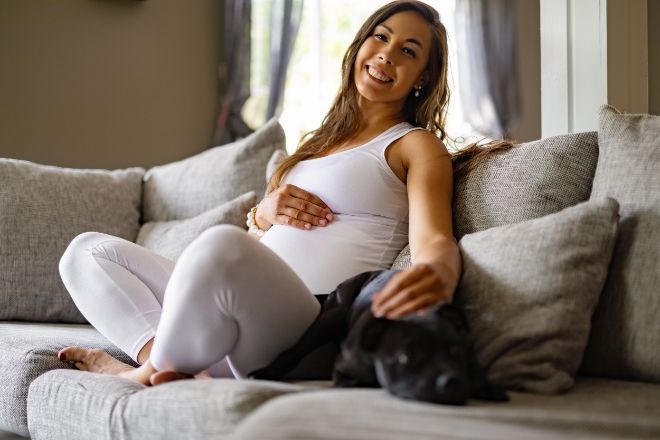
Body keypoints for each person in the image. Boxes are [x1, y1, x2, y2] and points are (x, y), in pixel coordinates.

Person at [57, 0, 502, 386]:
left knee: (218, 245)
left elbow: (434, 240)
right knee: (86, 251)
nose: (386, 55)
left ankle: (142, 375)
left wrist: (439, 273)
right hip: (242, 307)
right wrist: (263, 214)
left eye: (408, 51)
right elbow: (255, 244)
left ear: (422, 77)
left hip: (306, 328)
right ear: (360, 46)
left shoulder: (413, 145)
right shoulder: (314, 146)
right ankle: (167, 364)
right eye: (380, 38)